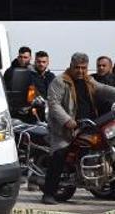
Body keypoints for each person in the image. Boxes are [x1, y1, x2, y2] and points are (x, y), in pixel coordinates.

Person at [42, 52, 115, 205]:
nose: (80, 71)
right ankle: (48, 193)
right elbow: (54, 104)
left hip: (87, 125)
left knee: (105, 146)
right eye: (77, 68)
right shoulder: (60, 81)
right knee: (60, 154)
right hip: (64, 129)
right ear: (71, 66)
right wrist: (67, 120)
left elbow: (102, 89)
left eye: (84, 68)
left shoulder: (88, 80)